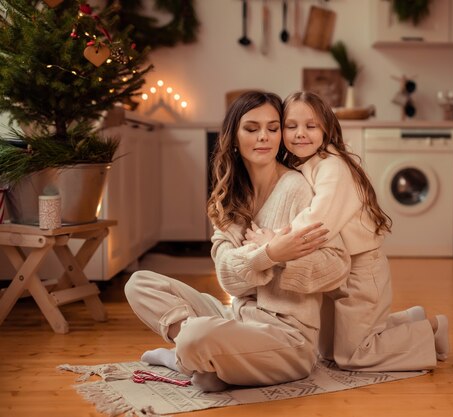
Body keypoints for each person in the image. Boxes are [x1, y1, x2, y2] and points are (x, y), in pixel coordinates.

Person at [124, 91, 350, 392]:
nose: (264, 138)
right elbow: (228, 279)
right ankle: (203, 360)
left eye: (273, 128)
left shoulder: (297, 188)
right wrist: (268, 253)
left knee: (197, 336)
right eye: (252, 128)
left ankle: (189, 356)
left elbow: (337, 265)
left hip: (288, 338)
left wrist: (285, 257)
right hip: (236, 317)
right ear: (234, 136)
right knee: (139, 284)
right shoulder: (229, 198)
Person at [245, 91, 449, 372]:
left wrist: (275, 239)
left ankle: (431, 329)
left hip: (361, 269)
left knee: (354, 355)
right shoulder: (303, 164)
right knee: (327, 350)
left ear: (327, 127)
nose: (300, 134)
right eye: (291, 126)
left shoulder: (333, 166)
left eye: (311, 126)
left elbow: (319, 220)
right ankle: (410, 319)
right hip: (335, 269)